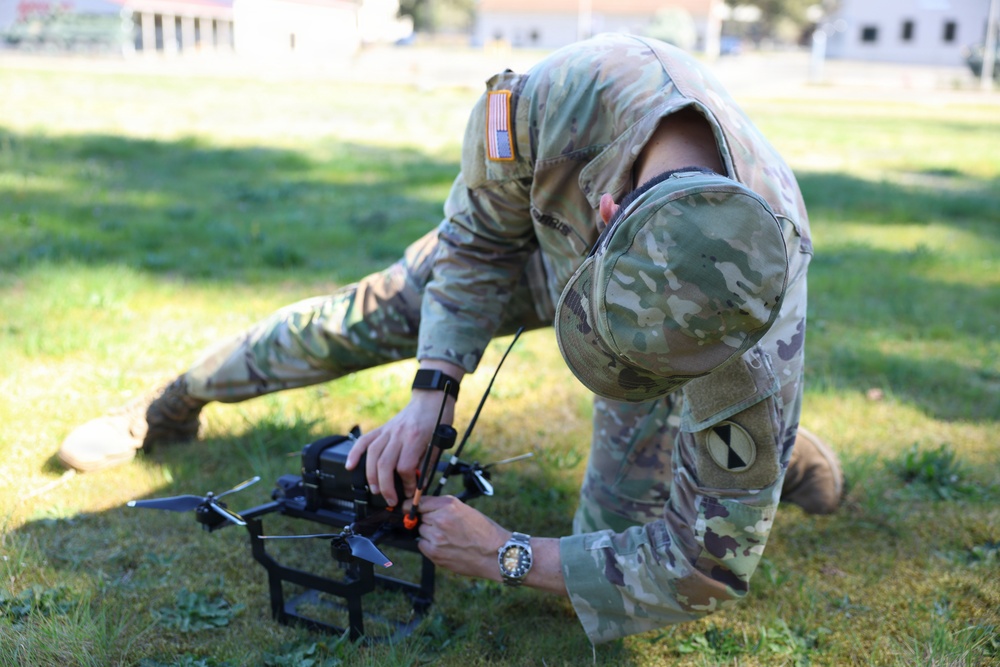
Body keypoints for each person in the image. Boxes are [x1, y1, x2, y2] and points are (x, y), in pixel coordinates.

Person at [58, 34, 843, 643]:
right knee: (355, 319)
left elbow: (703, 567)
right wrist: (433, 389)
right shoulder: (563, 100)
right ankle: (166, 404)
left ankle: (768, 443)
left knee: (603, 553)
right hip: (534, 252)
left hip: (689, 354)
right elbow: (474, 243)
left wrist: (506, 552)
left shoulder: (752, 316)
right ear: (604, 214)